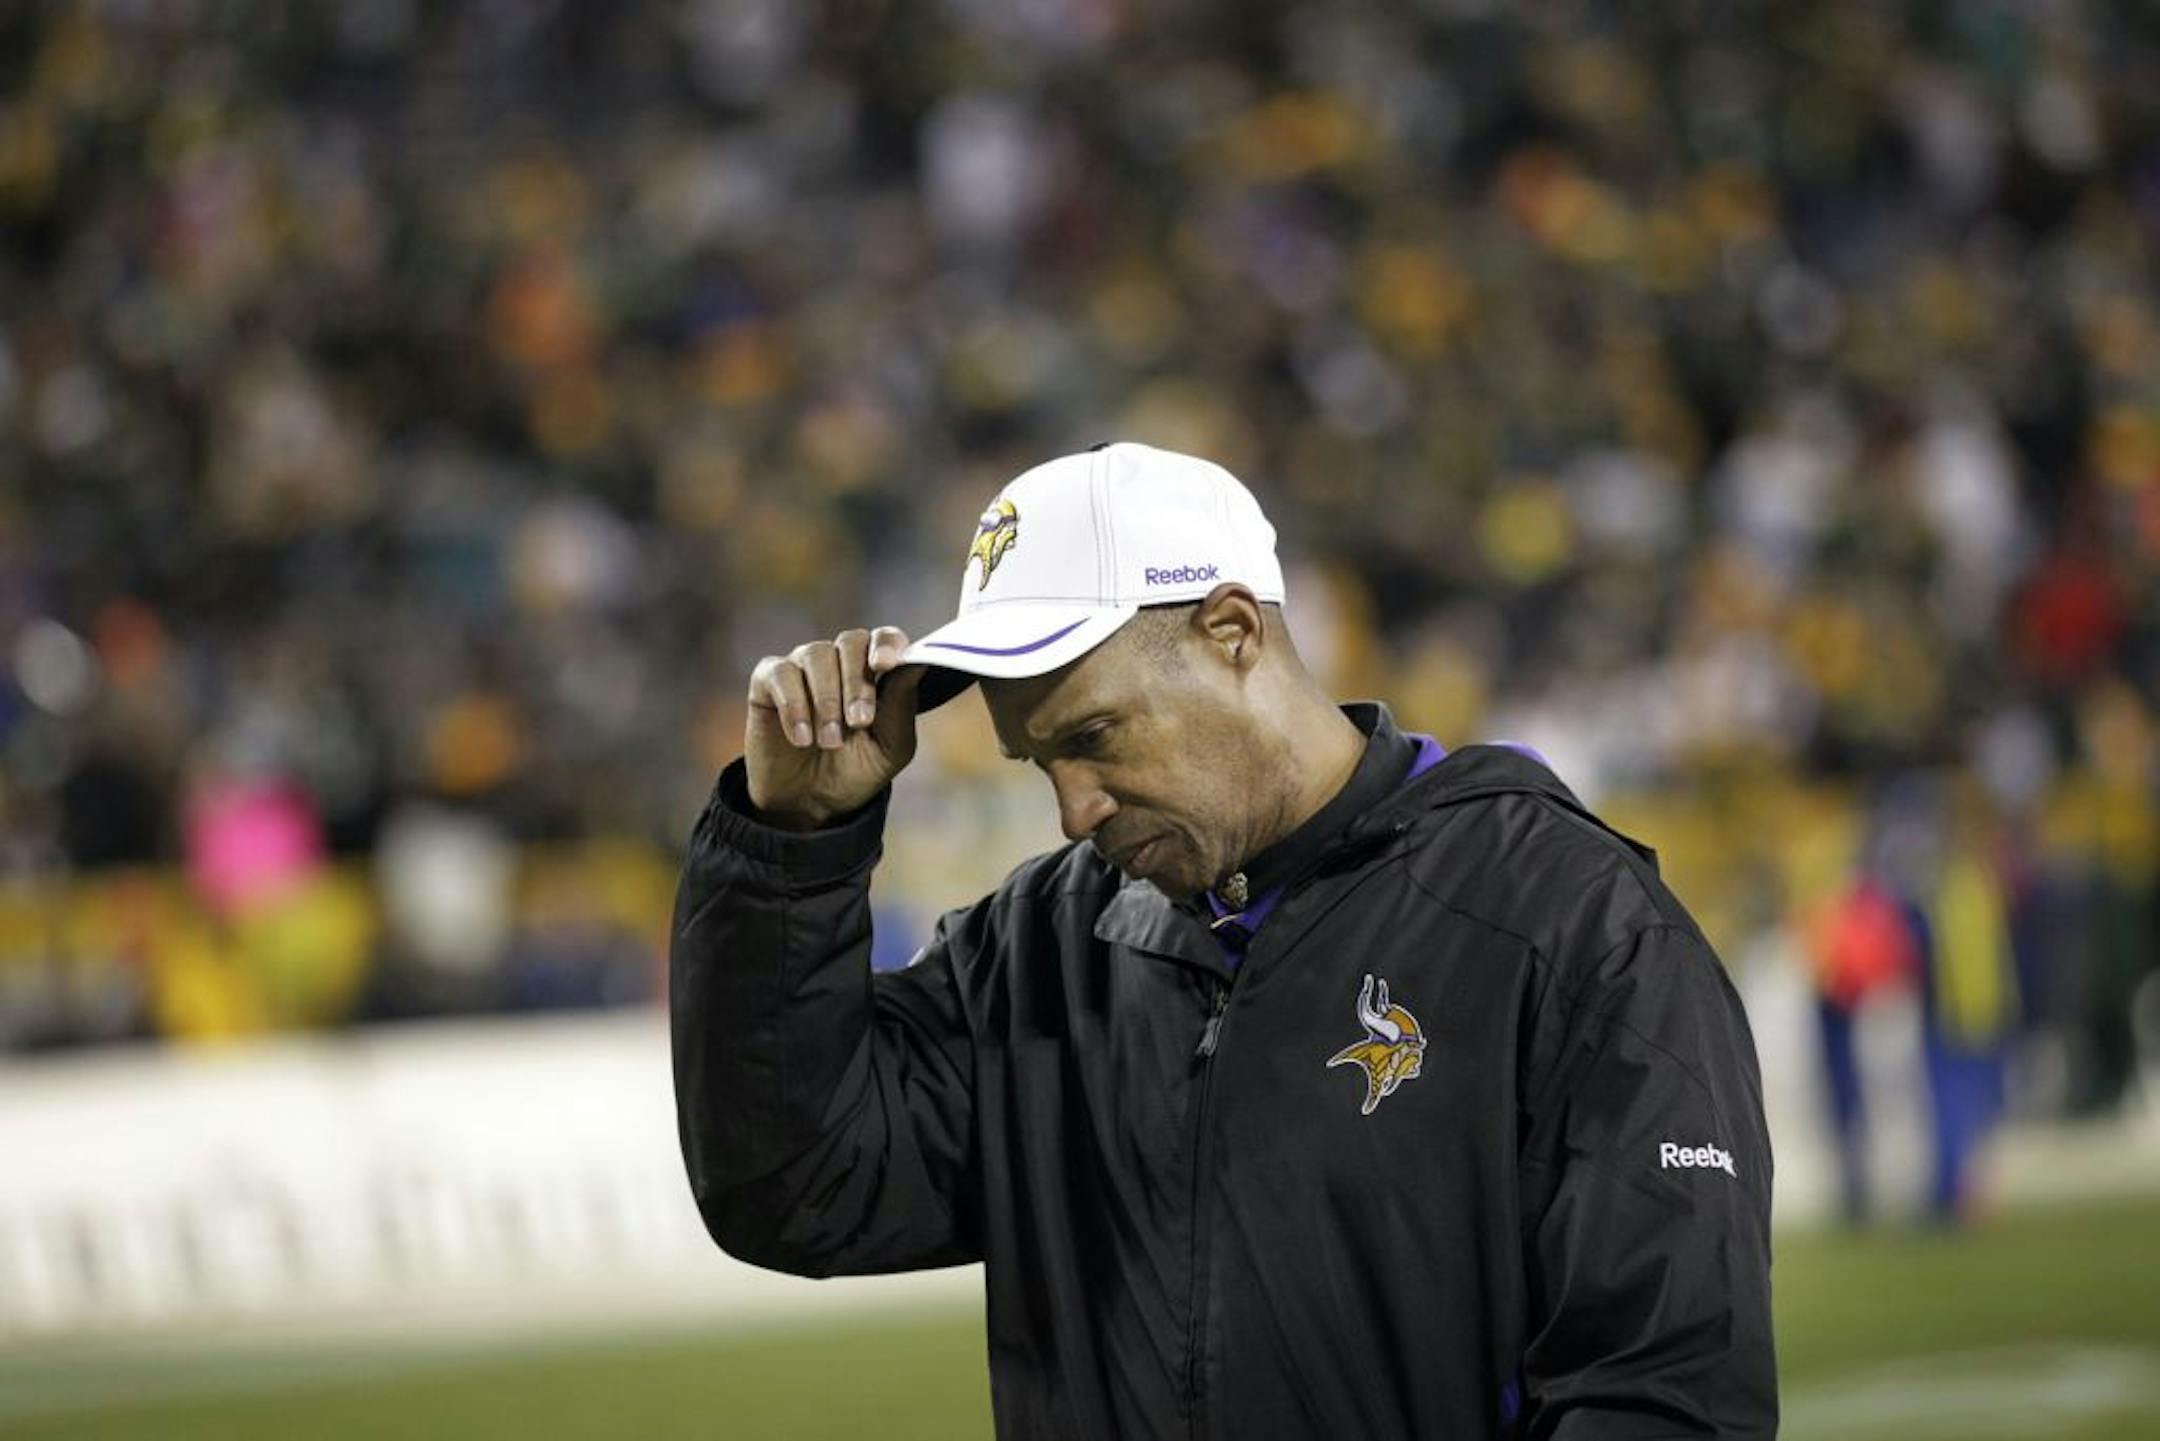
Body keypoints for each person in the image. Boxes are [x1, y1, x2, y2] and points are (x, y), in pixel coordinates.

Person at [671, 442, 1777, 1438]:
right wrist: (793, 848)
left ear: (1233, 631)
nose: (1073, 811)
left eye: (1095, 737)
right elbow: (798, 1188)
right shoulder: (1040, 953)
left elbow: (1665, 1392)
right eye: (1040, 762)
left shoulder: (1562, 918)